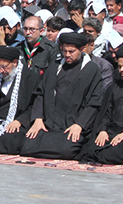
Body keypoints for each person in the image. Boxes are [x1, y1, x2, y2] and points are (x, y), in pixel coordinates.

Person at [22, 32, 104, 160]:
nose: (67, 55)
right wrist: (38, 118)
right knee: (27, 146)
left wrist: (80, 125)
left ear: (81, 50)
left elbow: (94, 103)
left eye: (71, 51)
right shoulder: (55, 66)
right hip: (49, 124)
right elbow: (41, 93)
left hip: (72, 126)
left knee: (67, 150)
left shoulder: (92, 70)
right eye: (65, 51)